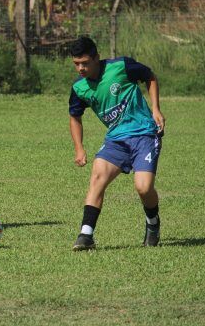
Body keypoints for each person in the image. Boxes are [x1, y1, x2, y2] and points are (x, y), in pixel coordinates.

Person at [68, 36, 165, 251]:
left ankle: (153, 223)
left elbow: (150, 76)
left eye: (85, 63)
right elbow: (75, 117)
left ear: (96, 58)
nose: (81, 68)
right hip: (116, 140)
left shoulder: (120, 66)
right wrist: (79, 148)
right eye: (76, 64)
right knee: (97, 176)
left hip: (145, 134)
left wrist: (156, 108)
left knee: (143, 187)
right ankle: (86, 235)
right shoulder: (79, 88)